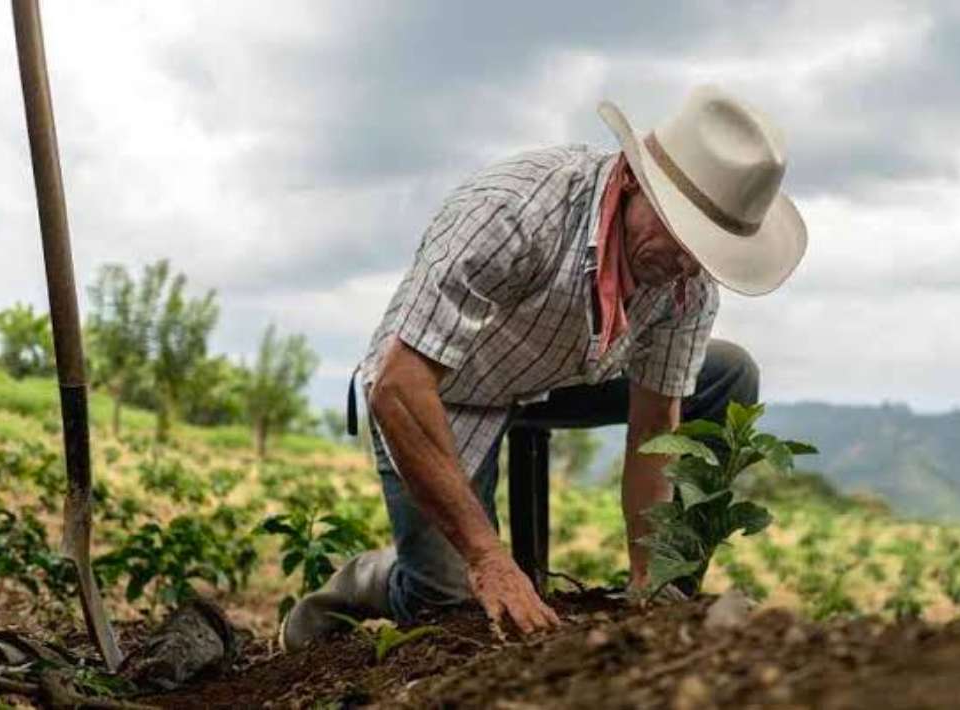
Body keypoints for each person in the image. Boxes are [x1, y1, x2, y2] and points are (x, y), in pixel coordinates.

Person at [281, 84, 808, 650]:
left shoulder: (686, 281)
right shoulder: (515, 212)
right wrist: (487, 557)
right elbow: (399, 385)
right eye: (682, 237)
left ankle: (670, 599)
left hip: (560, 374)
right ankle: (367, 579)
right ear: (635, 182)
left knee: (728, 373)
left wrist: (648, 586)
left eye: (705, 252)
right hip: (443, 387)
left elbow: (656, 428)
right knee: (450, 602)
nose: (686, 265)